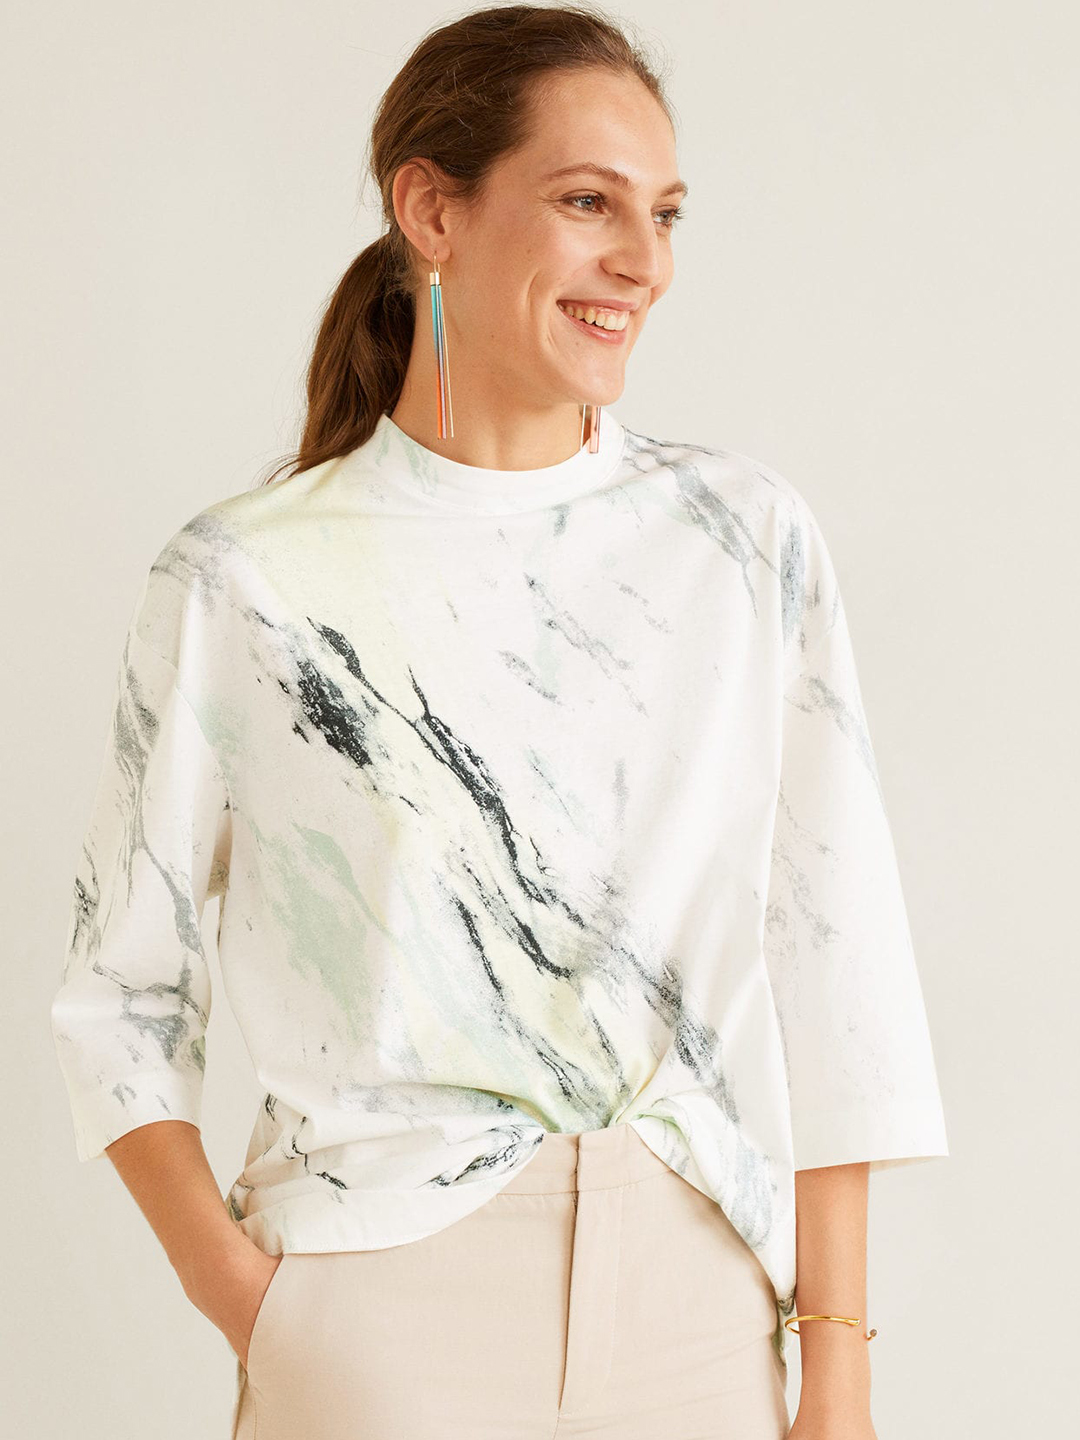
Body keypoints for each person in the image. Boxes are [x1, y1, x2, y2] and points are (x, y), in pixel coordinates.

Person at [49, 5, 949, 1438]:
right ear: (432, 211)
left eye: (664, 213)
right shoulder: (249, 580)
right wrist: (257, 1306)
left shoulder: (740, 541)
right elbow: (124, 995)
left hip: (699, 1299)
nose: (644, 261)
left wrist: (836, 1360)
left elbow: (832, 967)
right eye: (589, 202)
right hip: (377, 1302)